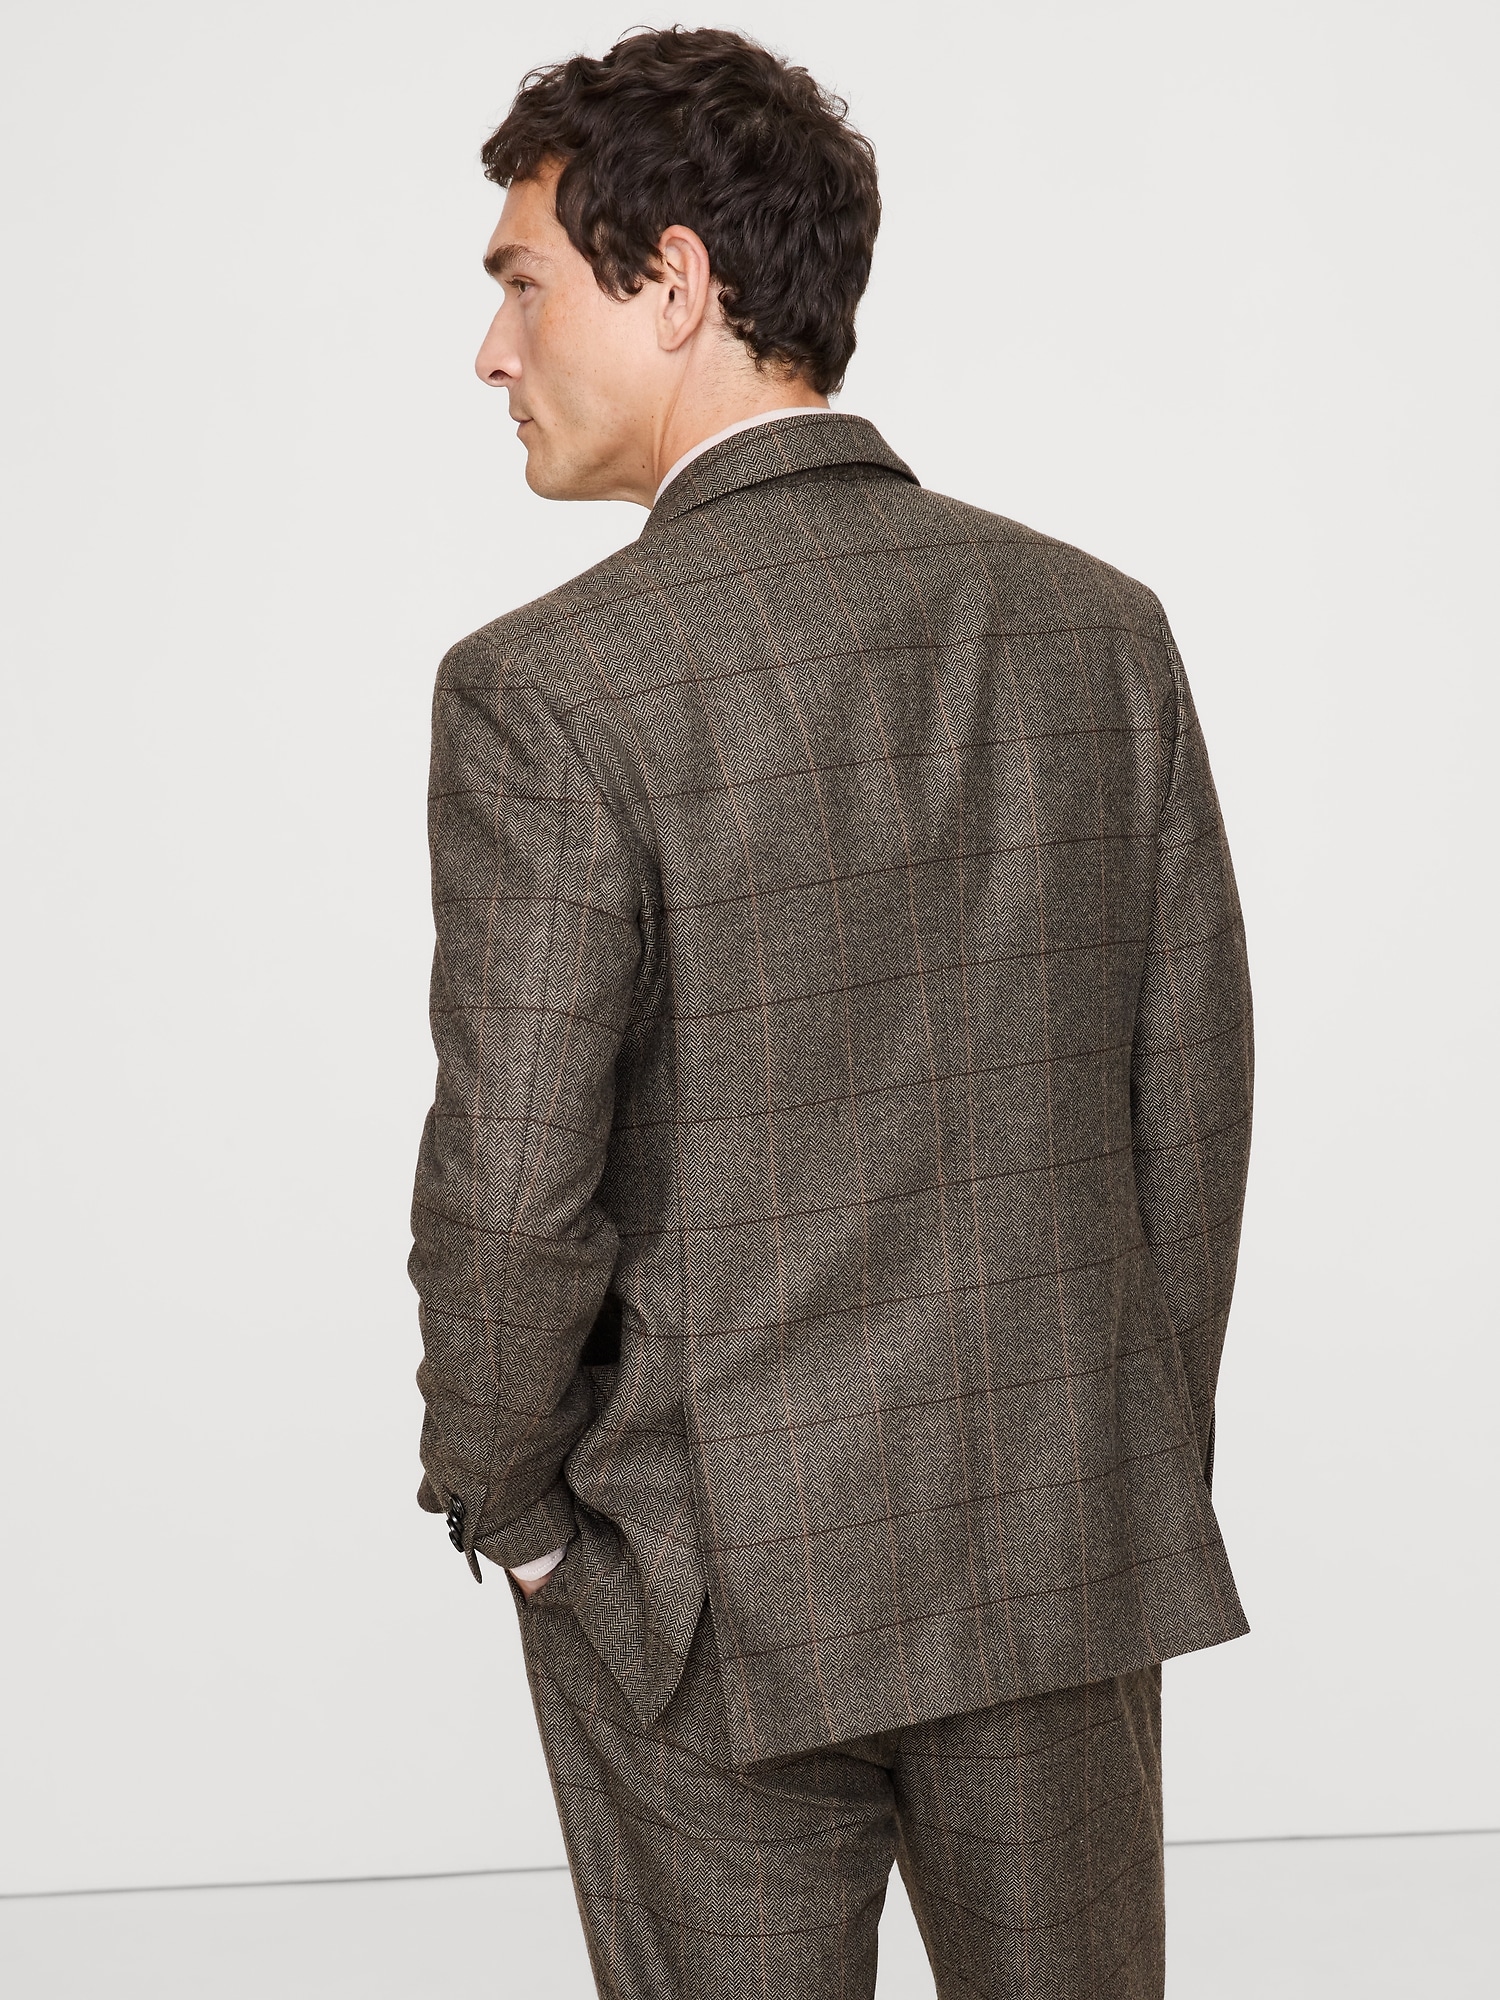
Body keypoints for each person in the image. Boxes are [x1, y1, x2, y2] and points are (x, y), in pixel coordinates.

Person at [407, 25, 1254, 1999]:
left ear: (674, 280)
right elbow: (1191, 1108)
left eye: (522, 283)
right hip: (1058, 1546)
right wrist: (1104, 1456)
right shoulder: (1097, 630)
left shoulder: (551, 689)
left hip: (698, 1596)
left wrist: (520, 1518)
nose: (490, 352)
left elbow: (513, 1185)